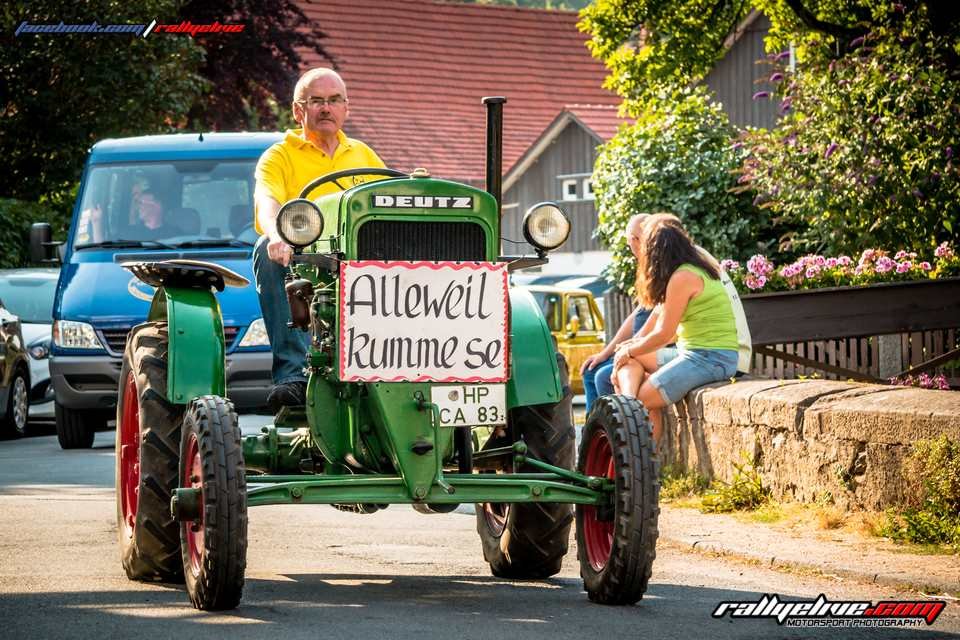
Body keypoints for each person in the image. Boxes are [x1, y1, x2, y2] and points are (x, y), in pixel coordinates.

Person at [253, 67, 385, 410]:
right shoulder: (279, 156)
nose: (326, 108)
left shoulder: (364, 155)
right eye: (317, 101)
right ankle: (293, 373)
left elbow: (388, 199)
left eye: (334, 100)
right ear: (299, 111)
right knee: (264, 252)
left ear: (346, 108)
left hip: (358, 256)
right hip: (307, 261)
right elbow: (267, 201)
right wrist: (277, 234)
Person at [611, 214, 741, 445]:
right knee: (629, 363)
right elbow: (667, 331)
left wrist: (630, 350)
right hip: (693, 354)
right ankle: (629, 411)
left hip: (711, 359)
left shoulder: (683, 277)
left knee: (642, 396)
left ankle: (630, 415)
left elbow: (663, 334)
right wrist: (629, 350)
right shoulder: (694, 269)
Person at [580, 214, 653, 412]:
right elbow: (637, 315)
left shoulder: (660, 267)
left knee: (603, 376)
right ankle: (592, 435)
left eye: (629, 241)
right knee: (591, 370)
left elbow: (658, 322)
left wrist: (631, 347)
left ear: (635, 239)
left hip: (648, 349)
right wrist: (605, 353)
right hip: (637, 346)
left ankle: (615, 432)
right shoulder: (646, 268)